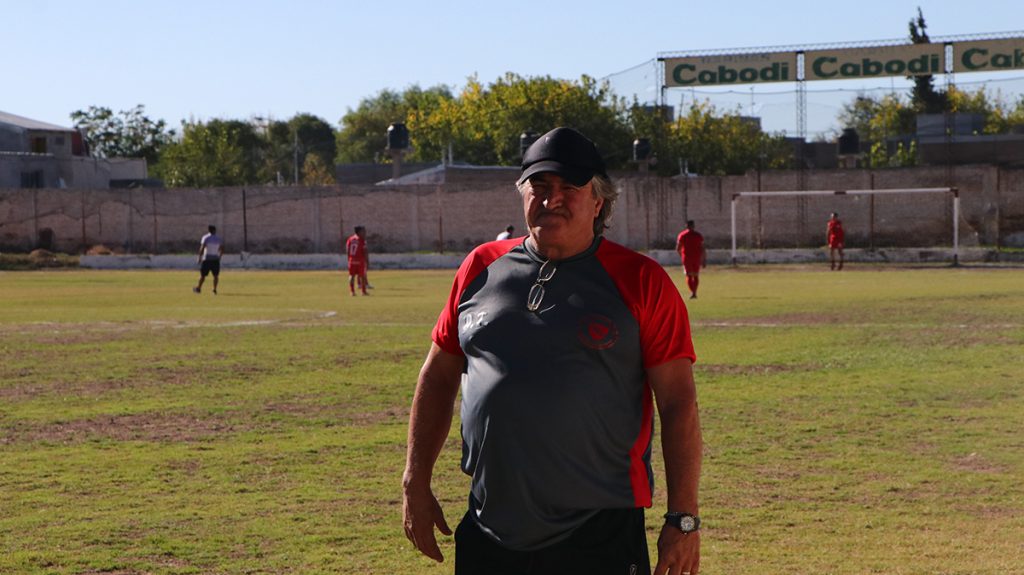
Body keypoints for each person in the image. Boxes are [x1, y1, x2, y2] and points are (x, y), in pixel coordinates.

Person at [402, 127, 702, 575]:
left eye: (569, 187)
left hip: (598, 534)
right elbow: (438, 375)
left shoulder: (641, 281)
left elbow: (678, 402)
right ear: (522, 193)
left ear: (598, 201)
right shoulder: (480, 266)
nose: (551, 198)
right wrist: (415, 480)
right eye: (539, 185)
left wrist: (683, 518)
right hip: (489, 527)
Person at [675, 220, 707, 299]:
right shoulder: (698, 235)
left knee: (689, 275)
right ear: (694, 226)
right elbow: (703, 248)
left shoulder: (682, 235)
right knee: (695, 275)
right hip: (696, 258)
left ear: (686, 226)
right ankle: (694, 292)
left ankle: (693, 292)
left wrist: (682, 256)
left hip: (687, 258)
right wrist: (704, 259)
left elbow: (678, 248)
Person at [193, 225, 223, 294]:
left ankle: (198, 288)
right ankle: (214, 289)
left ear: (209, 230)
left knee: (203, 275)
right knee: (215, 275)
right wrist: (219, 257)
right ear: (215, 230)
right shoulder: (218, 239)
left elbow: (202, 248)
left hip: (207, 259)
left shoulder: (206, 237)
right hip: (215, 259)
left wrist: (199, 257)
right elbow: (222, 249)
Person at [345, 225, 369, 296]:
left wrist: (349, 259)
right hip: (360, 260)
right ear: (359, 232)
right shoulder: (362, 240)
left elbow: (347, 250)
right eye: (363, 231)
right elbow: (365, 251)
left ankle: (352, 291)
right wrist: (367, 261)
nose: (364, 233)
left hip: (351, 260)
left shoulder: (350, 239)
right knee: (362, 276)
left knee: (351, 276)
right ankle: (363, 292)